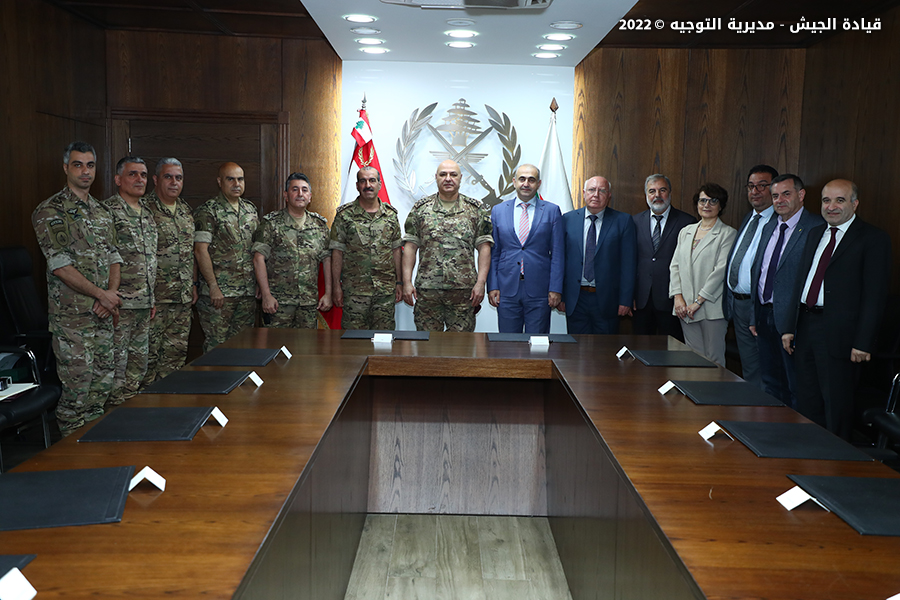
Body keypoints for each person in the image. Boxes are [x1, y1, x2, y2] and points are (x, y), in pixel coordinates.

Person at [782, 179, 891, 439]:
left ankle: (834, 465)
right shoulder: (814, 233)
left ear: (855, 204)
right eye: (826, 200)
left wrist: (863, 342)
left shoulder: (873, 239)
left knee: (836, 405)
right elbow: (800, 283)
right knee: (807, 399)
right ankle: (809, 455)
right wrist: (788, 327)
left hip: (841, 336)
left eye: (839, 200)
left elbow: (875, 297)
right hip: (806, 326)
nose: (831, 207)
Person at [32, 142, 122, 435]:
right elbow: (60, 266)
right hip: (73, 320)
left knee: (101, 390)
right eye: (78, 165)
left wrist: (110, 294)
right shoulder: (50, 211)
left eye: (90, 165)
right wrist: (102, 295)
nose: (85, 171)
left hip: (103, 315)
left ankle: (92, 458)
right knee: (77, 395)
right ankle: (69, 465)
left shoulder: (102, 211)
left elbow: (114, 257)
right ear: (65, 168)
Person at [749, 174, 823, 407]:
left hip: (792, 320)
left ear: (801, 195)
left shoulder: (817, 228)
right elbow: (758, 271)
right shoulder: (769, 225)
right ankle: (772, 433)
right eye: (775, 195)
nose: (779, 200)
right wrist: (754, 315)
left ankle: (795, 436)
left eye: (786, 194)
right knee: (770, 381)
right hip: (763, 313)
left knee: (796, 385)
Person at [401, 160, 493, 332]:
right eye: (443, 174)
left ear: (461, 178)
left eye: (453, 174)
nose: (448, 179)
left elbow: (484, 248)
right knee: (427, 347)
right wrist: (406, 282)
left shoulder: (475, 209)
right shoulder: (421, 209)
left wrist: (481, 283)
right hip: (428, 291)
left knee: (460, 348)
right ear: (436, 178)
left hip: (463, 293)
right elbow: (410, 247)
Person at [103, 156, 158, 406]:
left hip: (144, 305)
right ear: (118, 180)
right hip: (120, 305)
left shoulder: (147, 212)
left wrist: (152, 298)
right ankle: (112, 423)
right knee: (116, 369)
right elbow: (102, 258)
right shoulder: (107, 212)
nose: (139, 179)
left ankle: (130, 417)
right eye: (133, 174)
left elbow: (150, 260)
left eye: (143, 175)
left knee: (139, 367)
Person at [488, 164, 564, 334]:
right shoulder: (498, 211)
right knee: (508, 344)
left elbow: (558, 254)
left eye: (531, 179)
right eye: (522, 179)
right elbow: (494, 253)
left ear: (539, 183)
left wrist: (555, 288)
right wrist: (492, 286)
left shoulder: (552, 211)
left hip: (540, 290)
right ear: (514, 182)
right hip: (506, 289)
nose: (526, 183)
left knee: (537, 345)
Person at [142, 158, 197, 384]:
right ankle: (145, 410)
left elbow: (190, 252)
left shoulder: (185, 211)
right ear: (156, 179)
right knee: (148, 359)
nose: (174, 182)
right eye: (168, 177)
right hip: (155, 300)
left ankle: (169, 406)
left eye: (179, 178)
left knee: (175, 358)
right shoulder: (144, 209)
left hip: (182, 299)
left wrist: (193, 284)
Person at [669, 183, 737, 365]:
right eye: (702, 200)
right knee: (692, 357)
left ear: (721, 205)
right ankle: (694, 393)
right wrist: (678, 298)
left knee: (713, 358)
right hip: (685, 308)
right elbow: (674, 266)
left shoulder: (727, 234)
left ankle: (715, 394)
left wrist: (698, 301)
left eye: (713, 201)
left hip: (710, 308)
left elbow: (720, 271)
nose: (706, 205)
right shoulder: (686, 232)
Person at [252, 173, 332, 328]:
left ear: (310, 196)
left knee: (307, 350)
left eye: (304, 190)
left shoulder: (319, 225)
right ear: (286, 195)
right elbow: (258, 259)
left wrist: (328, 294)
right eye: (295, 189)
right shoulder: (271, 224)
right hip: (278, 303)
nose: (300, 194)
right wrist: (266, 295)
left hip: (308, 304)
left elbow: (327, 260)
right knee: (276, 348)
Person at [194, 162, 259, 352]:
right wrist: (213, 286)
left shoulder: (250, 210)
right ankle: (213, 383)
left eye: (240, 179)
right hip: (220, 294)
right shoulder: (208, 211)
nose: (236, 183)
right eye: (230, 179)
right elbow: (200, 251)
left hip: (246, 293)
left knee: (244, 346)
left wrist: (257, 284)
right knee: (217, 348)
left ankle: (239, 383)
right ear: (219, 182)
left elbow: (256, 251)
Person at [724, 165, 778, 389]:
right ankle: (751, 411)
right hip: (738, 303)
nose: (755, 191)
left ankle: (765, 415)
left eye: (762, 186)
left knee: (767, 367)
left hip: (760, 307)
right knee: (749, 366)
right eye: (751, 186)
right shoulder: (749, 218)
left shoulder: (780, 222)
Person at [561, 176, 637, 334]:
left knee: (604, 351)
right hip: (576, 298)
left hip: (608, 299)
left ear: (609, 195)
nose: (596, 194)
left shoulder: (623, 221)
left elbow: (628, 264)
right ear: (583, 193)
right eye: (591, 190)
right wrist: (561, 295)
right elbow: (561, 260)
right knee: (575, 351)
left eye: (602, 191)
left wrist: (625, 300)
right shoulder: (567, 220)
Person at [330, 167, 403, 330]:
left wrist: (399, 282)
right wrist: (336, 286)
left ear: (379, 185)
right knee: (353, 342)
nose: (367, 185)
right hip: (354, 291)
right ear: (357, 186)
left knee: (384, 339)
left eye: (372, 180)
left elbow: (396, 250)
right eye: (363, 181)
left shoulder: (391, 215)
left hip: (384, 292)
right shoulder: (344, 215)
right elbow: (337, 252)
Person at [632, 174, 695, 340]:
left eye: (662, 190)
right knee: (641, 347)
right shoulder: (634, 221)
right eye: (652, 191)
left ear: (670, 193)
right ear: (646, 195)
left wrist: (681, 295)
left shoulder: (687, 222)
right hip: (641, 300)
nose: (657, 195)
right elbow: (630, 262)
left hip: (672, 300)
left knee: (672, 351)